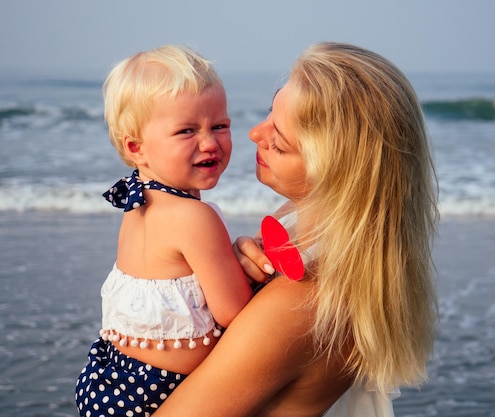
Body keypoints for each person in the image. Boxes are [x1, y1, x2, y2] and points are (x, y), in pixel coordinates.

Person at [154, 41, 439, 417]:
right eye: (270, 111)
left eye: (280, 143)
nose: (255, 133)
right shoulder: (309, 229)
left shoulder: (299, 305)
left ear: (334, 171)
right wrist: (233, 264)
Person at [75, 45, 252, 417]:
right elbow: (236, 313)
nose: (210, 142)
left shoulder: (138, 205)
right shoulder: (194, 217)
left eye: (219, 125)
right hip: (158, 392)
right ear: (137, 148)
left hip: (111, 379)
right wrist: (245, 258)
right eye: (187, 130)